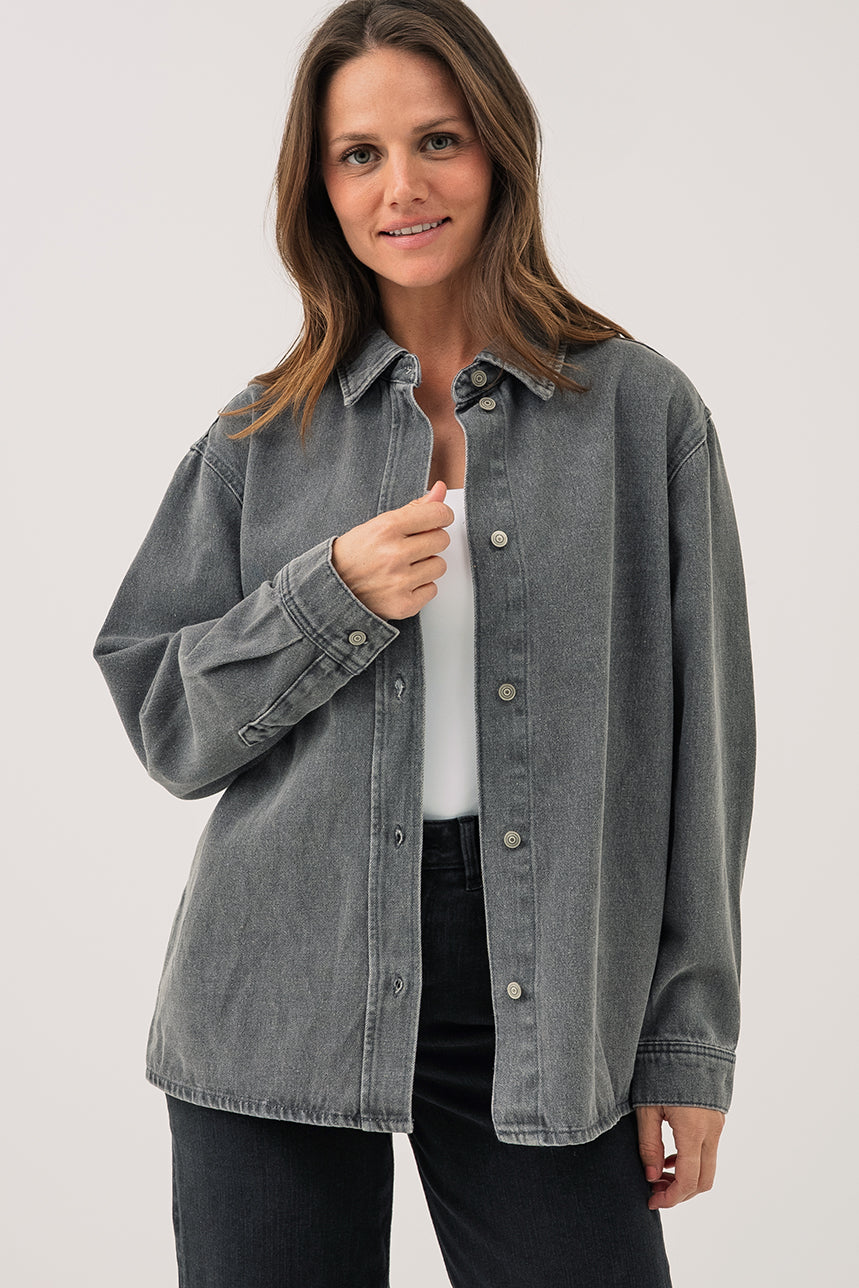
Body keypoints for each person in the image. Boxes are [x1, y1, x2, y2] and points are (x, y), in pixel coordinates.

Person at [92, 1, 756, 1284]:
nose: (400, 186)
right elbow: (167, 723)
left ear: (498, 148)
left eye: (437, 139)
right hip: (276, 987)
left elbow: (706, 762)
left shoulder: (642, 416)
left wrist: (688, 1044)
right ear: (321, 188)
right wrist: (328, 594)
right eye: (359, 154)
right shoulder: (261, 436)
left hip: (551, 988)